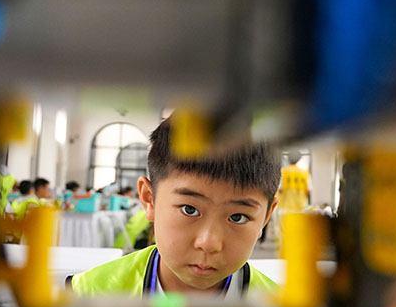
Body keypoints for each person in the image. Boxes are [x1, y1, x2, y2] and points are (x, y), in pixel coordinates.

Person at [71, 116, 281, 297]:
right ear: (149, 199)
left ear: (266, 216)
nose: (208, 243)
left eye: (237, 217)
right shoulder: (89, 296)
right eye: (189, 209)